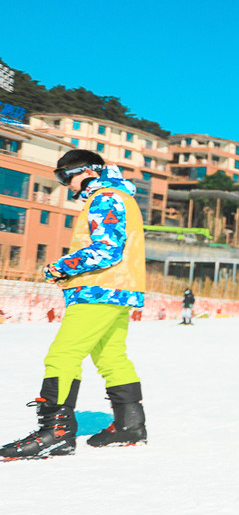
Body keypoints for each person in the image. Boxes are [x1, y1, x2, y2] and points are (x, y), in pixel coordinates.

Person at [1, 151, 149, 458]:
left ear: (90, 171)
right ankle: (130, 425)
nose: (66, 184)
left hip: (99, 290)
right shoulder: (120, 196)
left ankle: (56, 433)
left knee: (63, 355)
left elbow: (106, 250)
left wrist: (61, 267)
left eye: (67, 176)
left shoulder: (105, 197)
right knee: (111, 356)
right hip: (119, 289)